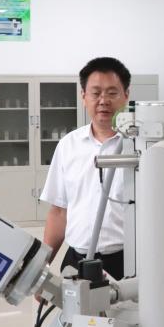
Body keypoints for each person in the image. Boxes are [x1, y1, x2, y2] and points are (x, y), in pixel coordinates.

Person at [41, 57, 130, 280]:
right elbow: (59, 211)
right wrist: (41, 268)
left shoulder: (139, 147)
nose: (103, 101)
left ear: (126, 96)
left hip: (126, 261)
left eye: (112, 93)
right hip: (76, 260)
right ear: (83, 96)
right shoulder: (68, 145)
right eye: (95, 93)